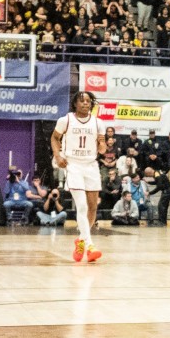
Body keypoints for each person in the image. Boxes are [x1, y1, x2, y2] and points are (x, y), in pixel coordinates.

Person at [52, 91, 108, 262]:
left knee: (92, 207)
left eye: (88, 101)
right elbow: (54, 139)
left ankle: (81, 240)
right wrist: (58, 155)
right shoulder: (65, 120)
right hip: (73, 165)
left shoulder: (98, 123)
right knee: (81, 206)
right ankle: (90, 245)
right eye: (82, 101)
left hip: (91, 166)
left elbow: (103, 150)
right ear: (75, 103)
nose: (85, 104)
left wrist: (101, 143)